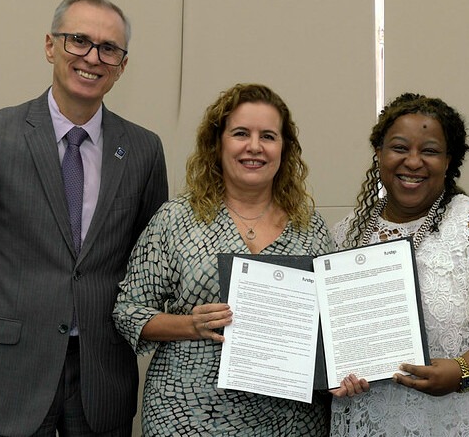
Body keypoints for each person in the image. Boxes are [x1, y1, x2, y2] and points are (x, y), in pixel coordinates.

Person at [0, 0, 168, 436]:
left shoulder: (143, 150)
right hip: (5, 372)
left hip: (100, 374)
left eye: (108, 48)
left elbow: (148, 268)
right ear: (49, 46)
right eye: (78, 40)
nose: (92, 57)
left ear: (122, 64)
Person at [329, 92, 469, 436]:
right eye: (399, 147)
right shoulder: (346, 235)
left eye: (430, 151)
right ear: (378, 153)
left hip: (468, 419)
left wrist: (460, 371)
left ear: (449, 161)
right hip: (376, 418)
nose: (413, 161)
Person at [113, 83, 332, 435]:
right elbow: (128, 311)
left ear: (284, 148)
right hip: (187, 413)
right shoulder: (176, 219)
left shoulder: (311, 227)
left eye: (269, 136)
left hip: (290, 418)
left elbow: (331, 323)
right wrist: (190, 325)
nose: (254, 147)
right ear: (218, 143)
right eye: (241, 133)